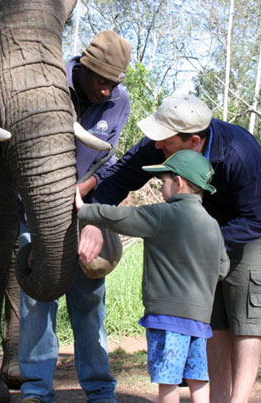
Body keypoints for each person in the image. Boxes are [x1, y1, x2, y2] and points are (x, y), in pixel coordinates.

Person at [81, 94, 261, 403]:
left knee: (245, 319)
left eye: (166, 141)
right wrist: (94, 221)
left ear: (195, 142)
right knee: (213, 321)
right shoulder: (162, 140)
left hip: (250, 231)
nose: (158, 145)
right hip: (200, 228)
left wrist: (201, 239)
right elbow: (120, 177)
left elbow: (256, 217)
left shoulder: (239, 152)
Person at [19, 30, 132, 403]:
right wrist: (48, 204)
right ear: (82, 69)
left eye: (113, 83)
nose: (106, 91)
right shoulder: (51, 82)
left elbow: (108, 161)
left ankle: (100, 391)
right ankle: (36, 391)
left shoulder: (118, 100)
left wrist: (87, 203)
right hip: (37, 208)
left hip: (86, 209)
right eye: (101, 81)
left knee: (89, 300)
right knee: (38, 300)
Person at [75, 149, 229, 403]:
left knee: (167, 378)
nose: (161, 189)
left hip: (166, 319)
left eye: (163, 182)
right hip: (200, 322)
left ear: (178, 182)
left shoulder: (161, 214)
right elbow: (222, 268)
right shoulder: (212, 223)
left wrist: (85, 210)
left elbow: (121, 217)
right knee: (198, 377)